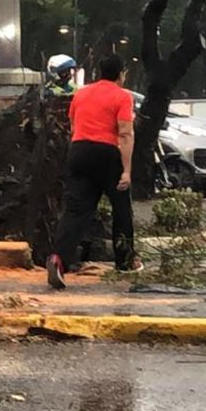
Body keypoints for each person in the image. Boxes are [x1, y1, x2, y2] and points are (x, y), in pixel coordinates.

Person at [47, 54, 141, 290]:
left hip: (79, 151)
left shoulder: (82, 93)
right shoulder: (122, 96)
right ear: (121, 74)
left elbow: (73, 124)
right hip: (107, 154)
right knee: (121, 208)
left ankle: (58, 259)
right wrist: (127, 171)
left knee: (76, 211)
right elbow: (125, 134)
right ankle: (125, 260)